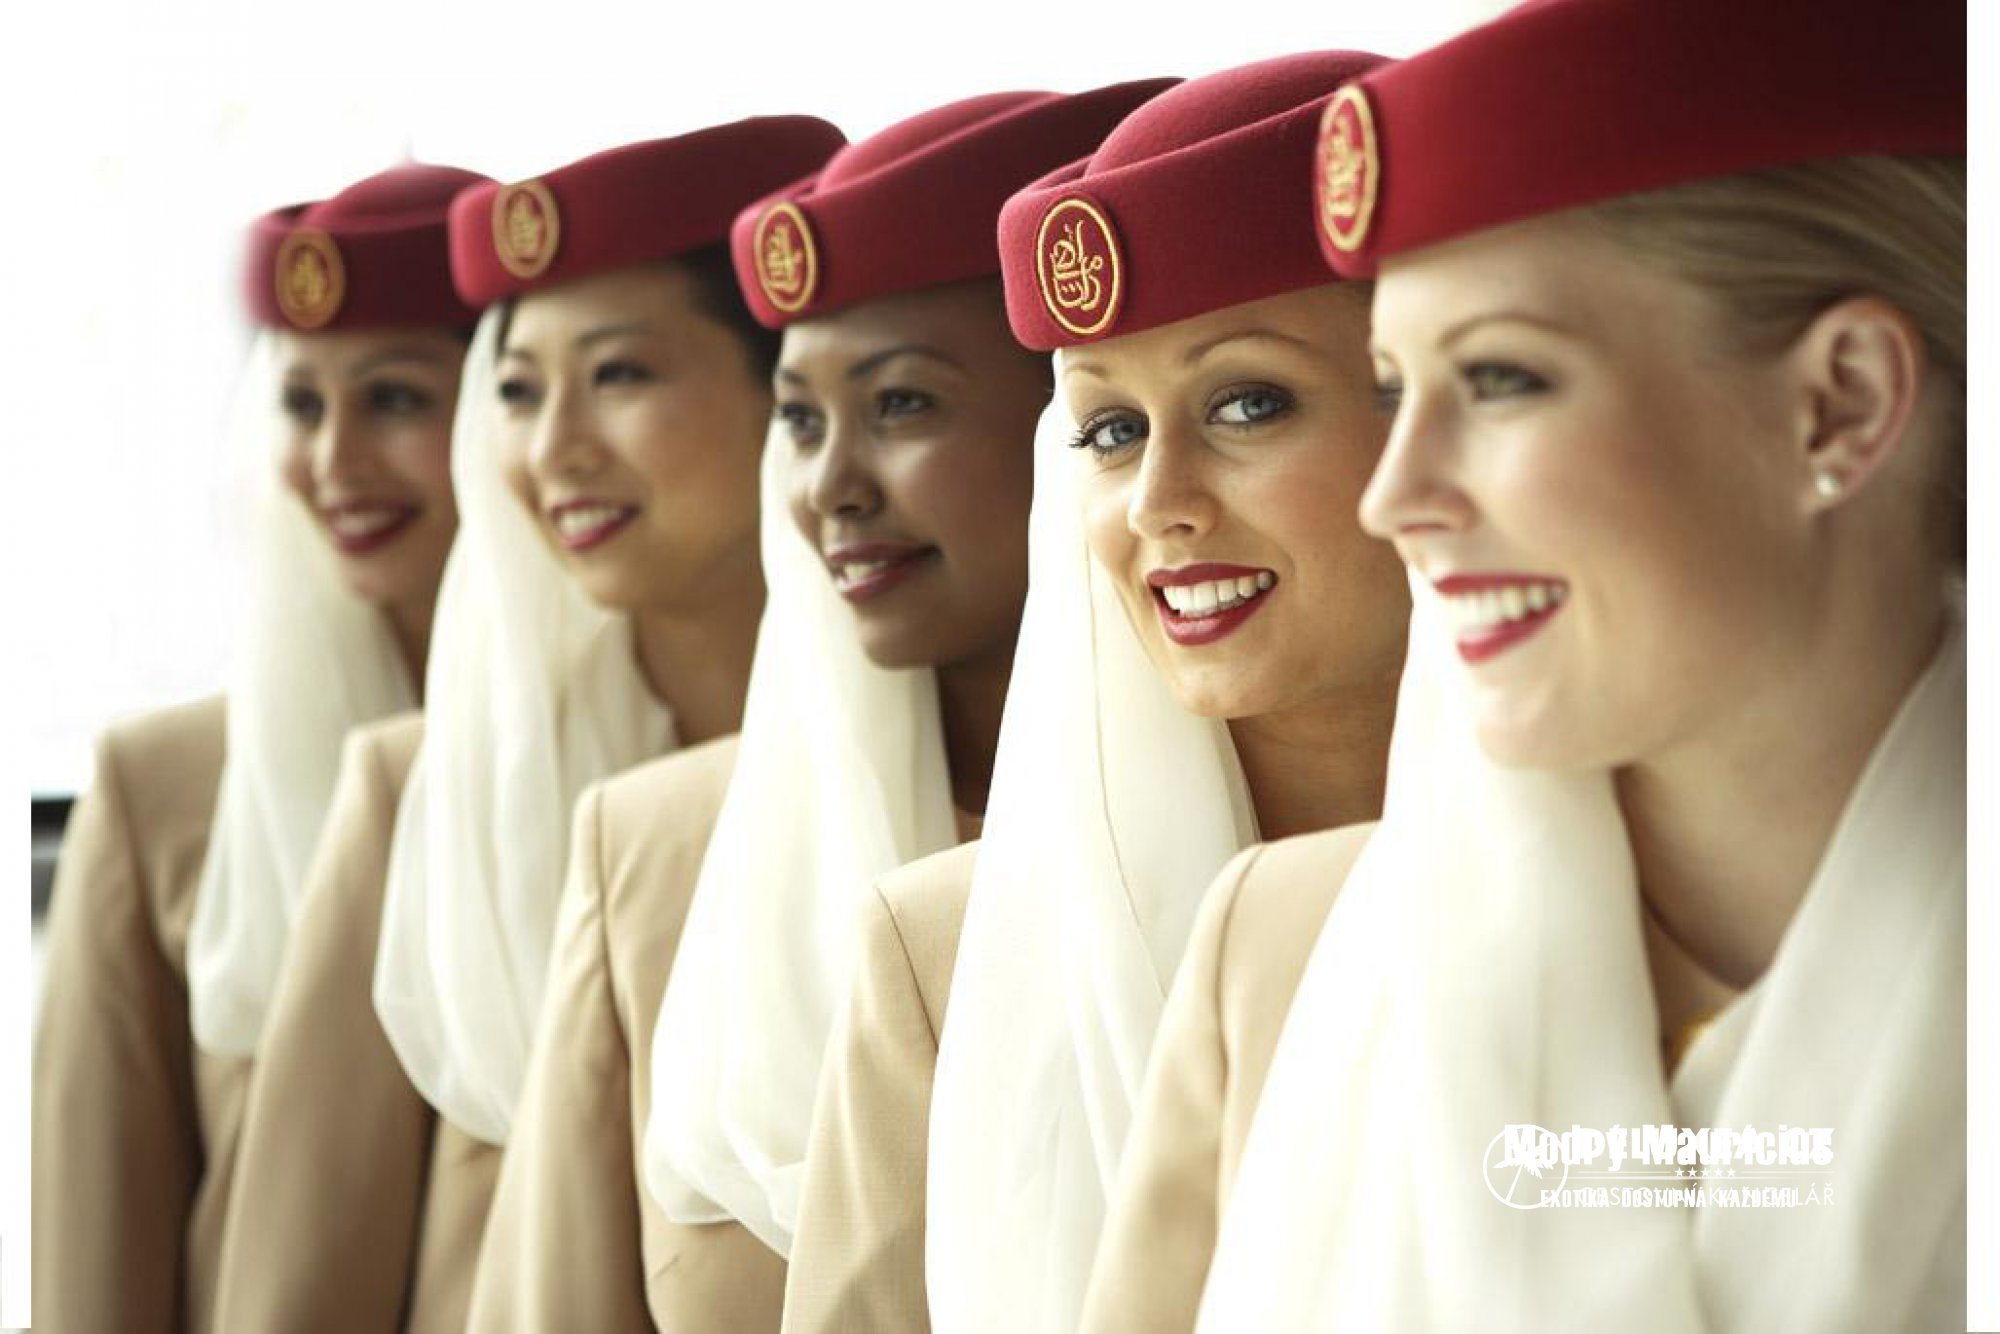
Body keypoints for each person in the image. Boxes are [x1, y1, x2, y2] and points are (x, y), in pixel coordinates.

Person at [1195, 1, 1965, 1329]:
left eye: (1500, 379)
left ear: (1839, 400)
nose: (1393, 497)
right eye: (1393, 390)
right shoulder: (1281, 953)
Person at [461, 84, 1171, 1334]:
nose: (828, 486)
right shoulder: (657, 855)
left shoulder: (1298, 830)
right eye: (798, 418)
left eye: (900, 403)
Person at [770, 54, 1410, 1334]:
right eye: (1110, 431)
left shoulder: (1681, 887)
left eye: (1245, 403)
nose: (1156, 504)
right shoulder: (942, 956)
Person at [208, 117, 842, 1333]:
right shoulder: (422, 790)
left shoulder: (964, 762)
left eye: (618, 375)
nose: (551, 449)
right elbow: (297, 1291)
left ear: (783, 390)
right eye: (514, 391)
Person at [32, 161, 485, 1334]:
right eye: (300, 404)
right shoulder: (161, 787)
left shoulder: (647, 759)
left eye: (393, 399)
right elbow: (95, 1260)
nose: (333, 460)